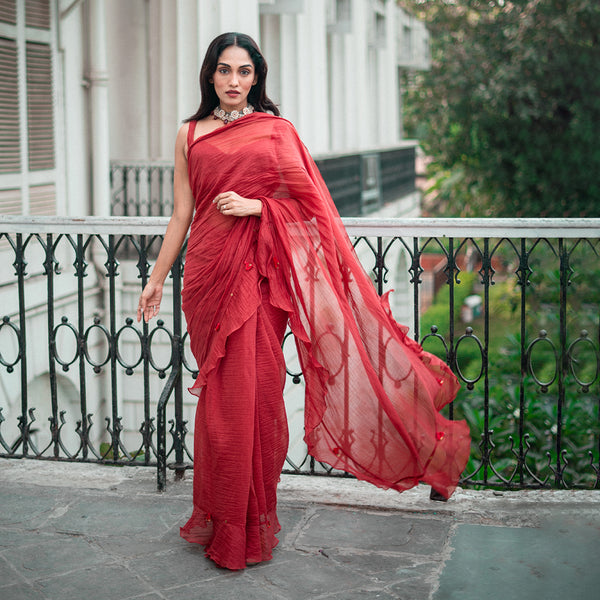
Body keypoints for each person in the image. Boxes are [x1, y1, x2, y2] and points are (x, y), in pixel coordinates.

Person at [137, 32, 470, 571]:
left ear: (257, 78)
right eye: (224, 71)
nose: (233, 82)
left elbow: (312, 207)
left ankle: (247, 527)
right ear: (209, 75)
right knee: (222, 410)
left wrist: (257, 208)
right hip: (205, 278)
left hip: (258, 281)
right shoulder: (188, 133)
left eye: (244, 72)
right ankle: (224, 518)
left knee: (256, 398)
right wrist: (155, 279)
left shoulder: (275, 132)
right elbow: (182, 214)